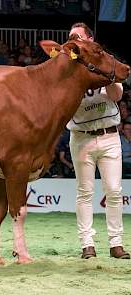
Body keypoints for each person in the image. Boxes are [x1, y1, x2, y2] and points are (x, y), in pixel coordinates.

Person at [67, 22, 130, 259]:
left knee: (114, 190)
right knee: (84, 192)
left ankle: (116, 243)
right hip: (81, 137)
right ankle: (87, 245)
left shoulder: (104, 62)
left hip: (109, 134)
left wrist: (109, 75)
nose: (73, 39)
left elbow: (115, 96)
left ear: (89, 39)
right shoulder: (68, 69)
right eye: (71, 36)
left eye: (78, 36)